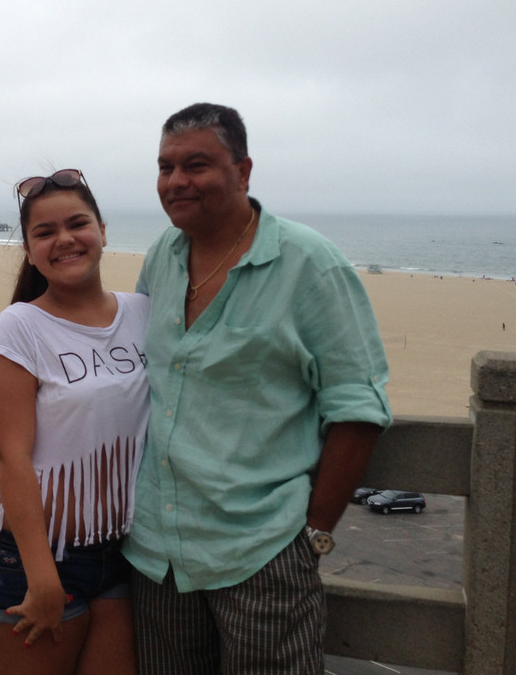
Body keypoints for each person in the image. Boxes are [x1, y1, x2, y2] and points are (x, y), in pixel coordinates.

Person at [123, 103, 393, 674]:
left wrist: (314, 534)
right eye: (165, 167)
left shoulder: (309, 264)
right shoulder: (161, 259)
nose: (176, 182)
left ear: (243, 172)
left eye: (196, 165)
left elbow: (359, 410)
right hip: (156, 556)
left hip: (261, 554)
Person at [0, 169, 150, 675]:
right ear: (29, 249)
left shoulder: (143, 315)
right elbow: (11, 455)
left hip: (117, 555)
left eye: (77, 224)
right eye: (45, 233)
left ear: (103, 231)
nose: (65, 239)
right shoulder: (20, 327)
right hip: (23, 558)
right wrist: (41, 574)